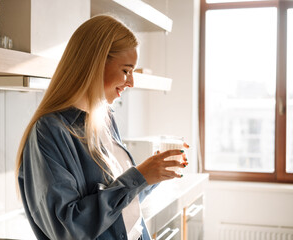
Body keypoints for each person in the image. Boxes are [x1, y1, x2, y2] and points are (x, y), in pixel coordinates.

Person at [15, 15, 188, 240]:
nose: (131, 82)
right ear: (94, 64)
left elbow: (119, 205)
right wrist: (138, 177)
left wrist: (152, 175)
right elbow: (68, 228)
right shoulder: (49, 131)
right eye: (126, 70)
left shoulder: (104, 119)